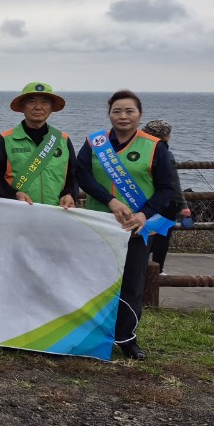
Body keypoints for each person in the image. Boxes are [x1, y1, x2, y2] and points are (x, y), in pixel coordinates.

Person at [76, 90, 177, 361]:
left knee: (132, 283)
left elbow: (166, 188)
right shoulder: (95, 142)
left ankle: (126, 338)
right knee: (95, 280)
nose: (123, 116)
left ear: (139, 115)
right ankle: (90, 335)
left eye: (129, 111)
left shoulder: (155, 146)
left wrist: (144, 214)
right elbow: (82, 175)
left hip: (137, 227)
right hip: (100, 222)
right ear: (109, 114)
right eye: (117, 111)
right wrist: (109, 200)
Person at [0, 82, 77, 208]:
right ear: (22, 106)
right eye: (31, 102)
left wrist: (70, 193)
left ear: (51, 108)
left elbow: (74, 176)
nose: (38, 107)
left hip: (56, 212)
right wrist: (14, 194)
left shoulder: (63, 140)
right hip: (17, 211)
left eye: (45, 102)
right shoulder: (6, 139)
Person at [141, 119, 191, 272]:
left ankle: (138, 267)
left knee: (144, 236)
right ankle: (158, 270)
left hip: (143, 201)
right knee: (161, 239)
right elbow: (173, 183)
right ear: (166, 136)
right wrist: (183, 206)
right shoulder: (166, 155)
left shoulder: (141, 152)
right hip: (166, 203)